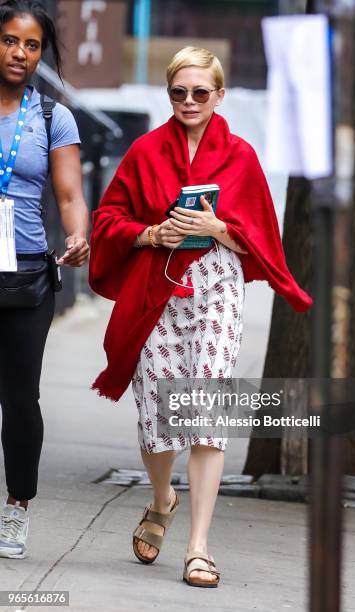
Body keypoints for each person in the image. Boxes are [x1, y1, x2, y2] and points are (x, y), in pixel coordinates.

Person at [89, 46, 312, 588]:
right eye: (178, 92)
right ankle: (163, 497)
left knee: (207, 410)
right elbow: (108, 218)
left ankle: (198, 546)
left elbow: (260, 234)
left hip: (217, 289)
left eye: (200, 93)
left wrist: (218, 229)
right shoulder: (144, 151)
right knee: (160, 418)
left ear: (220, 96)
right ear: (169, 94)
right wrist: (148, 233)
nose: (189, 101)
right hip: (156, 291)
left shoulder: (240, 156)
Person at [0, 0, 89, 559]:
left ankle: (17, 508)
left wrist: (78, 236)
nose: (19, 53)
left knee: (19, 397)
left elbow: (70, 195)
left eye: (31, 45)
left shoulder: (54, 117)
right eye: (10, 40)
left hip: (26, 275)